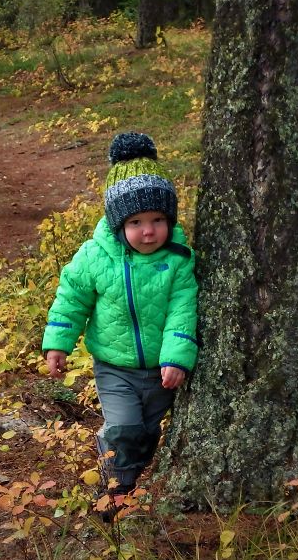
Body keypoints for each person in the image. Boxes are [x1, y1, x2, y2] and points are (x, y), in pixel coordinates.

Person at [42, 132, 198, 505]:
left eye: (159, 219)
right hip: (115, 367)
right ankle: (114, 487)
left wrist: (176, 357)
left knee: (147, 430)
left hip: (161, 370)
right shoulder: (95, 256)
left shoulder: (177, 258)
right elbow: (71, 299)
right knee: (124, 426)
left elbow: (183, 309)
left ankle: (133, 477)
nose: (148, 231)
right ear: (117, 224)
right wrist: (58, 344)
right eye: (136, 222)